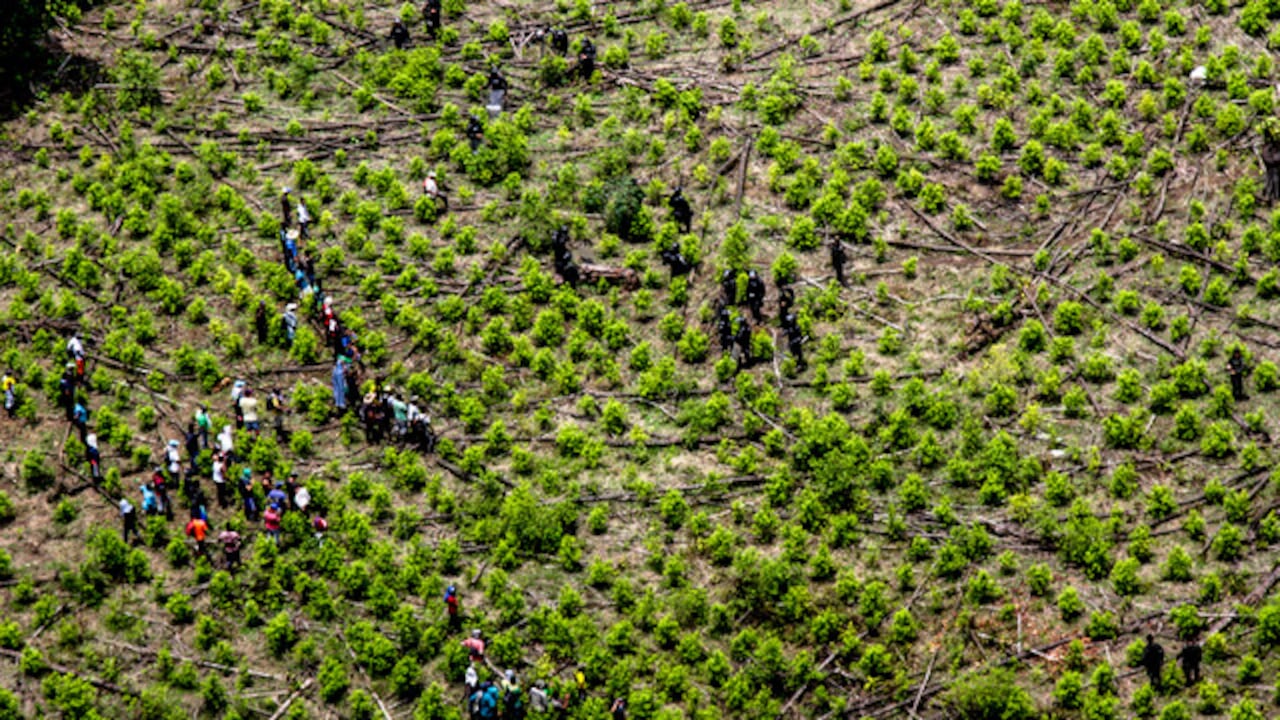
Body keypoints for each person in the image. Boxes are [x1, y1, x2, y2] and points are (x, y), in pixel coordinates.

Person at [1261, 120, 1280, 204]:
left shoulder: (1269, 146)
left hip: (1272, 161)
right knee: (1274, 178)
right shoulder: (1269, 146)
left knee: (1271, 178)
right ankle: (1274, 196)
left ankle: (1269, 194)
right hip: (1272, 162)